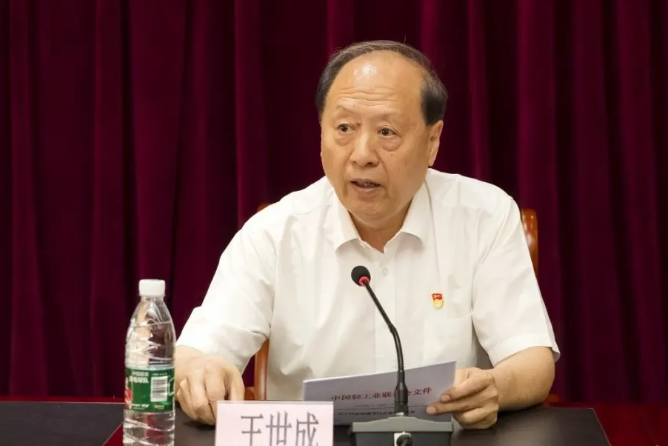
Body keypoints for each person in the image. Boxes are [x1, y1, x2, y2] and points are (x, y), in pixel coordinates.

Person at [174, 40, 559, 430]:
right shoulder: (274, 233)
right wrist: (201, 373)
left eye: (387, 132)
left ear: (432, 142)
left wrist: (495, 387)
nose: (362, 155)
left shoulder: (484, 216)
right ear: (321, 135)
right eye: (344, 128)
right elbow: (194, 354)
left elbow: (532, 361)